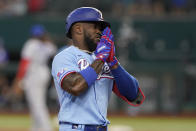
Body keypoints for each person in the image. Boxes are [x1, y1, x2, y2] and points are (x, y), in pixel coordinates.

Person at [51, 7, 145, 131]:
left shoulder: (105, 60)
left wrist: (113, 63)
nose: (99, 31)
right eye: (95, 26)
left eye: (101, 28)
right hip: (75, 127)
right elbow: (75, 86)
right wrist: (101, 59)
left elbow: (135, 96)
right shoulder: (65, 56)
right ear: (78, 29)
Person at [12, 24, 57, 131]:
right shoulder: (47, 44)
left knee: (37, 103)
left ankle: (46, 128)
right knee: (36, 102)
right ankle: (36, 128)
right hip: (44, 73)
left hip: (33, 74)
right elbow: (54, 52)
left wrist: (18, 79)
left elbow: (24, 63)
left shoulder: (30, 44)